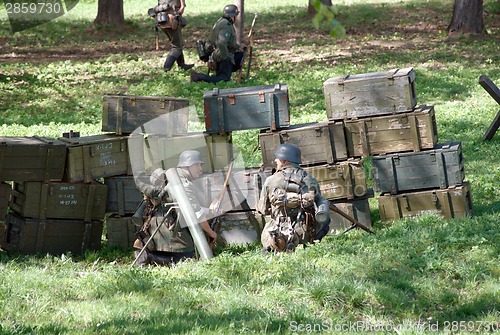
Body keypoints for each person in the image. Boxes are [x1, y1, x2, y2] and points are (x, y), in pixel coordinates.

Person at [133, 150, 217, 266]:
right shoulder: (183, 183)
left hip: (158, 224)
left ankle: (149, 254)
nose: (200, 169)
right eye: (197, 165)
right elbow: (196, 215)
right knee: (189, 258)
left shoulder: (172, 175)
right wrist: (211, 232)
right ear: (187, 165)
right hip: (169, 226)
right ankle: (149, 257)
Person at [257, 144, 331, 253]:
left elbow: (262, 209)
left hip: (278, 233)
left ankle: (273, 247)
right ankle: (312, 243)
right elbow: (319, 203)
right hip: (304, 232)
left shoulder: (271, 180)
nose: (276, 160)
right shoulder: (309, 179)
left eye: (278, 158)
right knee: (326, 220)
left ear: (285, 160)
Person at [190, 4, 245, 83]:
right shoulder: (226, 25)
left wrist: (238, 47)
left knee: (239, 55)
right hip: (222, 54)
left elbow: (229, 42)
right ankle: (199, 76)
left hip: (218, 53)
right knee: (223, 79)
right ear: (232, 16)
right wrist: (226, 57)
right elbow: (222, 42)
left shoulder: (221, 21)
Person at [150, 0, 194, 72]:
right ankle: (166, 68)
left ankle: (182, 64)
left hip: (161, 19)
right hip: (171, 19)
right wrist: (182, 6)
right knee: (177, 47)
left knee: (177, 42)